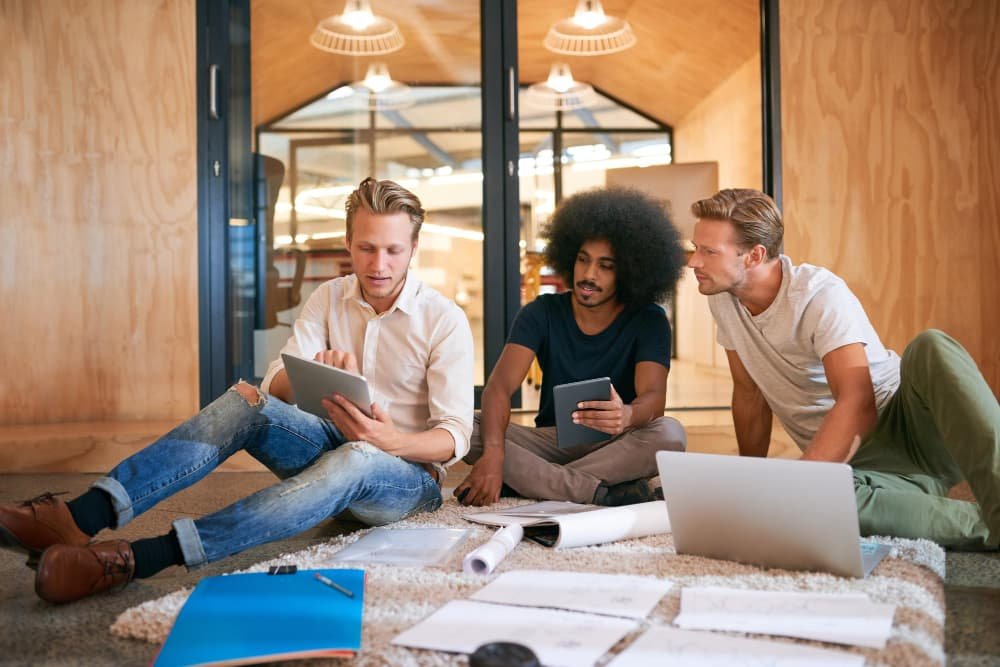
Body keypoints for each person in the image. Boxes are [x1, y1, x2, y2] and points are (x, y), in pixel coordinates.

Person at [0, 177, 474, 602]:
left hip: (406, 482)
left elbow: (455, 436)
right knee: (248, 398)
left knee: (360, 457)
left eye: (393, 250)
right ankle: (80, 516)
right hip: (332, 449)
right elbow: (276, 385)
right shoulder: (328, 298)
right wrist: (310, 370)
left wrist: (388, 441)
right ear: (348, 243)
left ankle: (136, 559)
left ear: (413, 248)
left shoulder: (443, 319)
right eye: (367, 248)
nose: (379, 264)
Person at [688, 188, 1000, 549]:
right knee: (814, 503)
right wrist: (753, 482)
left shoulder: (818, 295)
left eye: (708, 251)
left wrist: (806, 476)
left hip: (908, 422)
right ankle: (985, 527)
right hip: (859, 465)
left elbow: (858, 403)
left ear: (754, 256)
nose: (694, 262)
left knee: (930, 347)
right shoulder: (723, 300)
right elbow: (749, 394)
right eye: (696, 248)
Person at [456, 187, 688, 507]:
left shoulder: (649, 320)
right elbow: (498, 388)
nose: (589, 274)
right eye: (583, 260)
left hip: (617, 440)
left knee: (670, 434)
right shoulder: (542, 312)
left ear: (630, 271)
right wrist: (495, 452)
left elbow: (654, 398)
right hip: (549, 439)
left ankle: (536, 481)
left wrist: (627, 414)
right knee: (463, 426)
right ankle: (596, 490)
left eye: (605, 266)